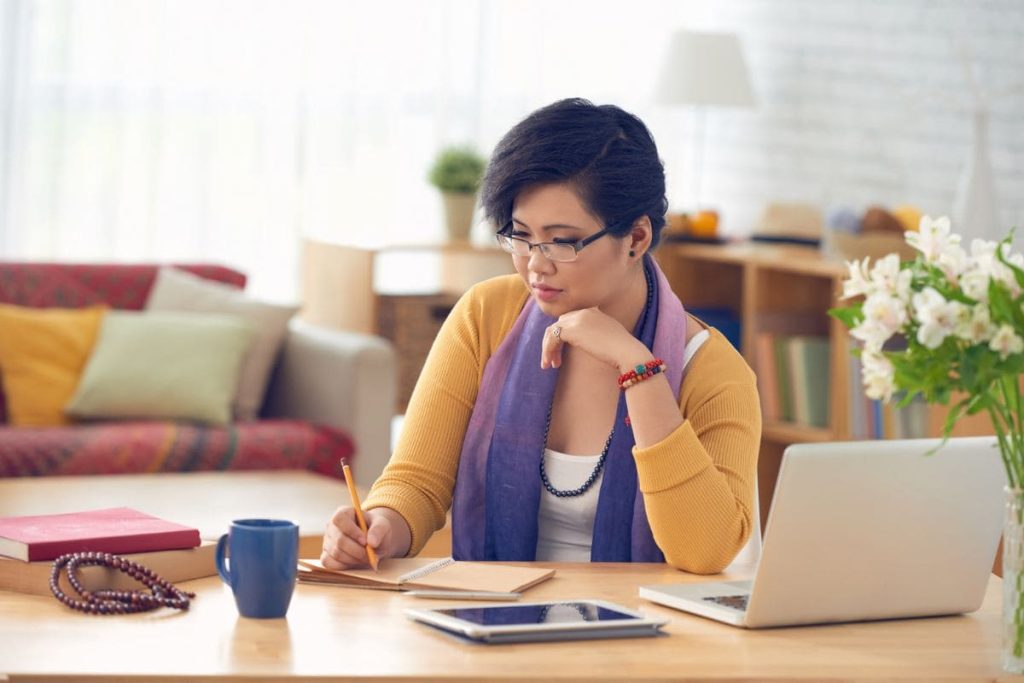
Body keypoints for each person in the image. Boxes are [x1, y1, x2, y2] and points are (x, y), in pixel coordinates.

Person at [321, 98, 761, 574]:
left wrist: (639, 368)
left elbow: (706, 553)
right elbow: (418, 484)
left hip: (641, 637)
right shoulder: (487, 316)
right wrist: (382, 525)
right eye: (521, 235)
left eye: (561, 241)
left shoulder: (713, 371)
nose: (535, 263)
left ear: (635, 238)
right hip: (492, 626)